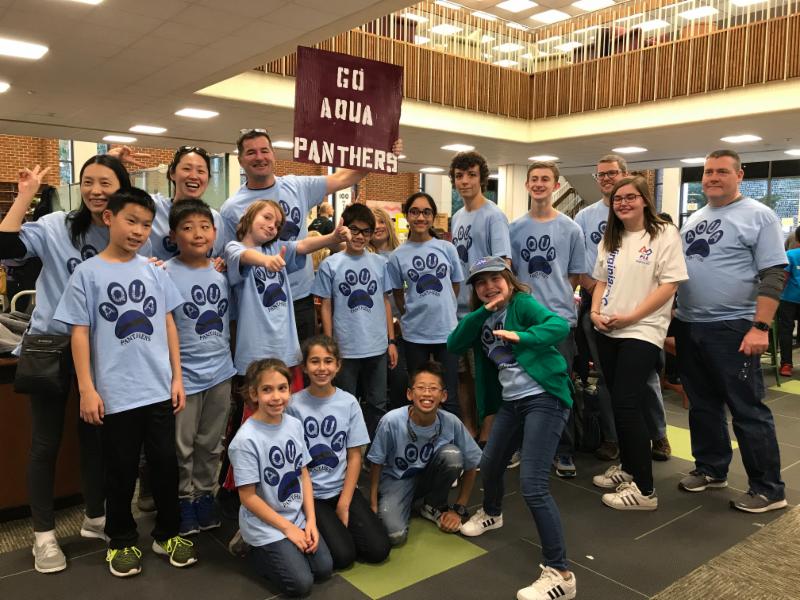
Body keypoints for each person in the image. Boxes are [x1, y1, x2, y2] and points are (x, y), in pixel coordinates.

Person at [0, 156, 134, 574]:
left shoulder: (123, 229)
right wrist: (24, 196)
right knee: (45, 442)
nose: (96, 190)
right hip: (52, 346)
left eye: (106, 182)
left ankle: (96, 517)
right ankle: (43, 536)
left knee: (95, 440)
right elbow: (5, 247)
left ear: (122, 187)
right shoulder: (56, 226)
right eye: (88, 182)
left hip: (103, 351)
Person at [54, 187, 197, 577]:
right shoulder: (87, 273)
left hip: (158, 388)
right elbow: (79, 333)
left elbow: (169, 324)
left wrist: (177, 377)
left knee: (165, 464)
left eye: (146, 225)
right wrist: (87, 388)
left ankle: (168, 534)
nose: (138, 231)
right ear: (108, 218)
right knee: (119, 469)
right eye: (131, 221)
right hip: (115, 392)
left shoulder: (154, 270)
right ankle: (120, 539)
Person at [447, 257, 576, 600]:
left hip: (544, 397)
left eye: (495, 279)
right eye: (481, 282)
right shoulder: (483, 317)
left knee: (533, 485)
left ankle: (561, 573)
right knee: (489, 464)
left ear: (508, 280)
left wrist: (522, 336)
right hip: (512, 402)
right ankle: (492, 513)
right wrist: (481, 313)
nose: (489, 287)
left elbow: (558, 326)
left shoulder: (522, 303)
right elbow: (454, 343)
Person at [675, 149, 788, 513]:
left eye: (721, 171)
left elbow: (775, 273)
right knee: (702, 404)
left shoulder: (759, 215)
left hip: (733, 326)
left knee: (746, 408)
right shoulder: (695, 218)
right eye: (708, 171)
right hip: (691, 324)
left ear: (739, 175)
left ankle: (769, 489)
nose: (712, 177)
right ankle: (711, 468)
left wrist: (760, 327)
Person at [220, 129, 400, 344]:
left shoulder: (296, 186)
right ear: (240, 160)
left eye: (264, 150)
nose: (259, 157)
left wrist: (382, 153)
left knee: (302, 361)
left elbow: (343, 177)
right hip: (260, 303)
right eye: (251, 152)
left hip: (301, 299)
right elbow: (230, 259)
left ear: (273, 154)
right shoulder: (231, 209)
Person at [588, 176, 688, 511]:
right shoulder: (612, 236)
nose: (623, 203)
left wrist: (631, 317)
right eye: (618, 199)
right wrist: (594, 312)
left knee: (628, 403)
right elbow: (601, 281)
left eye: (630, 197)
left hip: (642, 330)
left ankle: (645, 491)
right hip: (608, 328)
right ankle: (629, 468)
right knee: (619, 402)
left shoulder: (663, 233)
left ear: (645, 199)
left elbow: (669, 285)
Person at [574, 154, 671, 461]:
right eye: (601, 175)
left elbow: (665, 278)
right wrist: (598, 302)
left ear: (626, 175)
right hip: (597, 304)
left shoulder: (655, 226)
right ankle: (613, 437)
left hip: (640, 309)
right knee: (605, 376)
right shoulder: (585, 217)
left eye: (612, 173)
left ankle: (658, 434)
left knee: (645, 376)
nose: (606, 179)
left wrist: (627, 304)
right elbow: (582, 264)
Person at [228, 358, 333, 597]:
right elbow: (248, 498)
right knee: (301, 584)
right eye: (267, 390)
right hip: (265, 524)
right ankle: (251, 546)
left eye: (282, 388)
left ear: (290, 389)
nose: (276, 397)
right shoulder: (245, 441)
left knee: (324, 569)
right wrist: (289, 530)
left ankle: (284, 548)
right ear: (254, 394)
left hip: (295, 516)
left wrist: (310, 521)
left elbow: (303, 473)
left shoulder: (294, 425)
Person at [163, 199, 236, 536]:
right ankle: (183, 498)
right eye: (188, 227)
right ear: (173, 236)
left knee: (211, 441)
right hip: (184, 376)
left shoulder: (221, 274)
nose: (197, 234)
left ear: (215, 233)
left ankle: (205, 495)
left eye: (205, 227)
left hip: (220, 372)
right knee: (182, 444)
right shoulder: (163, 273)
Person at [286, 335, 390, 569]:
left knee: (379, 550)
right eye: (315, 361)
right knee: (344, 557)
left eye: (328, 361)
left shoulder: (349, 403)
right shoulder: (293, 405)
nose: (322, 368)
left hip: (341, 489)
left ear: (338, 365)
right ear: (304, 367)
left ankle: (338, 528)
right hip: (312, 496)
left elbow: (354, 456)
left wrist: (344, 502)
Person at [510, 161, 585, 478]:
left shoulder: (571, 229)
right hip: (524, 321)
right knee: (520, 384)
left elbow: (574, 275)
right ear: (527, 185)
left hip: (558, 321)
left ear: (555, 186)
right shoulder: (514, 229)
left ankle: (562, 450)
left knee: (559, 385)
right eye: (534, 179)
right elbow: (511, 276)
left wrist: (554, 302)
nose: (539, 184)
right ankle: (520, 444)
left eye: (545, 179)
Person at [367, 361, 481, 546]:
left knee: (452, 456)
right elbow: (376, 462)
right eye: (420, 388)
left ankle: (432, 504)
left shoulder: (451, 422)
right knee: (395, 535)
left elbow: (471, 463)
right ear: (409, 394)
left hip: (427, 477)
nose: (427, 393)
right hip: (397, 480)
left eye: (433, 388)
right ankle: (404, 503)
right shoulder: (391, 421)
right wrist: (373, 503)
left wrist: (459, 508)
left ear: (443, 396)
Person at [311, 203, 398, 436]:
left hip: (377, 346)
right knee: (345, 403)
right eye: (355, 230)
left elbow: (385, 301)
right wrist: (329, 343)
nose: (360, 236)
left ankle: (374, 449)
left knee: (378, 403)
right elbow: (326, 305)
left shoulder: (380, 263)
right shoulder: (331, 264)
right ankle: (348, 448)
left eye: (366, 231)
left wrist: (391, 341)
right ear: (344, 229)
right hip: (345, 347)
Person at [449, 151, 511, 443]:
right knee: (463, 374)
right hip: (460, 310)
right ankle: (469, 430)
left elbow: (503, 265)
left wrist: (492, 306)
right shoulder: (457, 217)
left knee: (486, 375)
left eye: (471, 175)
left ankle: (490, 437)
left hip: (485, 310)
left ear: (482, 179)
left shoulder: (493, 215)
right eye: (459, 176)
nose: (465, 181)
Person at [387, 192, 464, 418]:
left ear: (432, 216)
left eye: (426, 212)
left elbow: (455, 285)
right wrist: (411, 312)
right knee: (418, 392)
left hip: (446, 331)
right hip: (415, 333)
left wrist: (444, 307)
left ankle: (451, 437)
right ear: (406, 216)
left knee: (449, 393)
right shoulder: (397, 256)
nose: (420, 217)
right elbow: (397, 293)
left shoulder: (446, 248)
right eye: (415, 212)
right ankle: (418, 434)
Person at [149, 145, 228, 260]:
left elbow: (220, 258)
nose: (194, 176)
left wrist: (220, 263)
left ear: (208, 178)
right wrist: (119, 166)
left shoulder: (215, 219)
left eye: (201, 171)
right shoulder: (152, 207)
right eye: (187, 169)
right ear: (172, 173)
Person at [369, 206, 407, 411]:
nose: (378, 227)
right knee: (375, 387)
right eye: (373, 223)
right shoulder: (362, 256)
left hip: (399, 328)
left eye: (382, 221)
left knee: (399, 380)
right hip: (373, 330)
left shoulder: (400, 254)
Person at [778, 227, 800, 376]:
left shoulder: (790, 254)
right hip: (790, 300)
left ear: (796, 238)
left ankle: (786, 365)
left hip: (789, 299)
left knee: (785, 330)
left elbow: (783, 278)